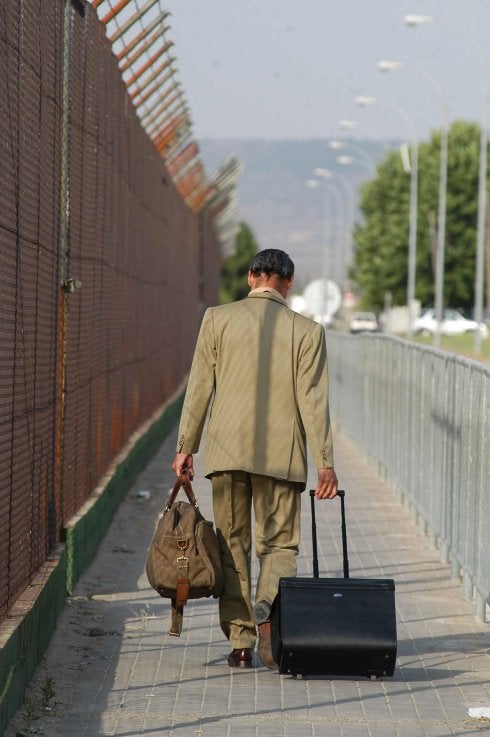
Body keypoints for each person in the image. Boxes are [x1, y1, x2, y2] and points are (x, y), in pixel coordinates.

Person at [172, 248, 338, 670]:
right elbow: (313, 403)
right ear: (289, 282)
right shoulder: (308, 331)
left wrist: (185, 446)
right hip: (281, 459)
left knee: (231, 546)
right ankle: (267, 607)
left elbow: (199, 388)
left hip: (226, 454)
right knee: (279, 544)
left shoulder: (217, 319)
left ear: (251, 278)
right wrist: (324, 463)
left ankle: (241, 644)